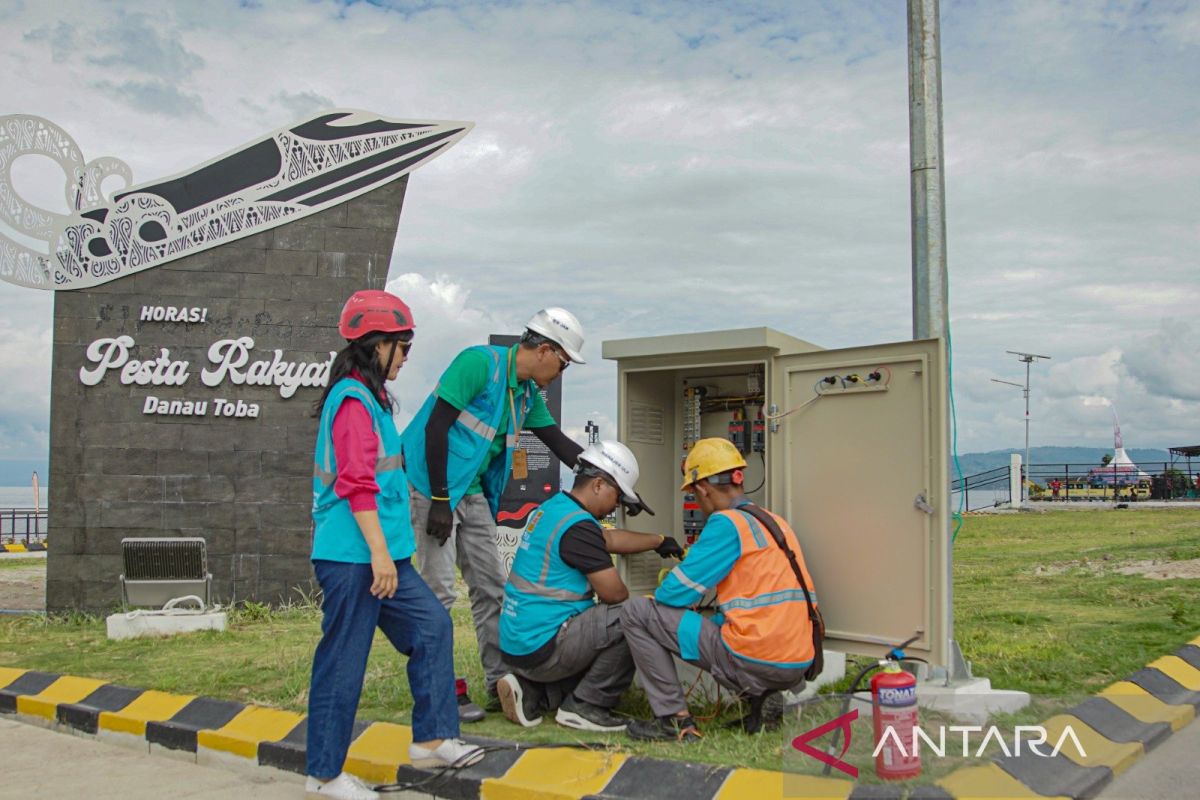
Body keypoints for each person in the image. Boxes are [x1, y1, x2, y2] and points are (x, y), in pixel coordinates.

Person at [306, 290, 483, 800]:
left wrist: (388, 555)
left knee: (431, 627)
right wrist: (380, 556)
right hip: (354, 558)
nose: (405, 356)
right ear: (375, 345)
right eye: (401, 346)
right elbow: (357, 485)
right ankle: (324, 776)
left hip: (383, 556)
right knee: (343, 661)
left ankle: (431, 739)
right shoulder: (352, 401)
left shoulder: (375, 399)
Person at [402, 308, 589, 721]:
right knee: (439, 593)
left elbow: (558, 443)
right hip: (430, 487)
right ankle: (439, 691)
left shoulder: (524, 396)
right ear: (544, 350)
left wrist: (607, 475)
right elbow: (436, 429)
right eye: (563, 362)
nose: (562, 372)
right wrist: (438, 500)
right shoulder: (478, 364)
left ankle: (501, 683)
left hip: (472, 493)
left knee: (492, 588)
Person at [622, 437, 818, 743]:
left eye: (693, 494)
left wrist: (666, 588)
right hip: (798, 659)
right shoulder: (774, 522)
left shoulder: (726, 523)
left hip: (756, 659)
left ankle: (674, 722)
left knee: (636, 612)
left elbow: (673, 594)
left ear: (702, 487)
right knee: (720, 624)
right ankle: (761, 700)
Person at [495, 441, 681, 732]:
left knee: (606, 622)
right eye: (617, 496)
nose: (616, 505)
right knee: (634, 616)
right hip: (545, 645)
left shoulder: (557, 509)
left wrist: (658, 541)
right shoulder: (579, 529)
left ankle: (534, 692)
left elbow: (608, 540)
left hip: (519, 643)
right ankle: (587, 705)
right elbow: (614, 594)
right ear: (597, 485)